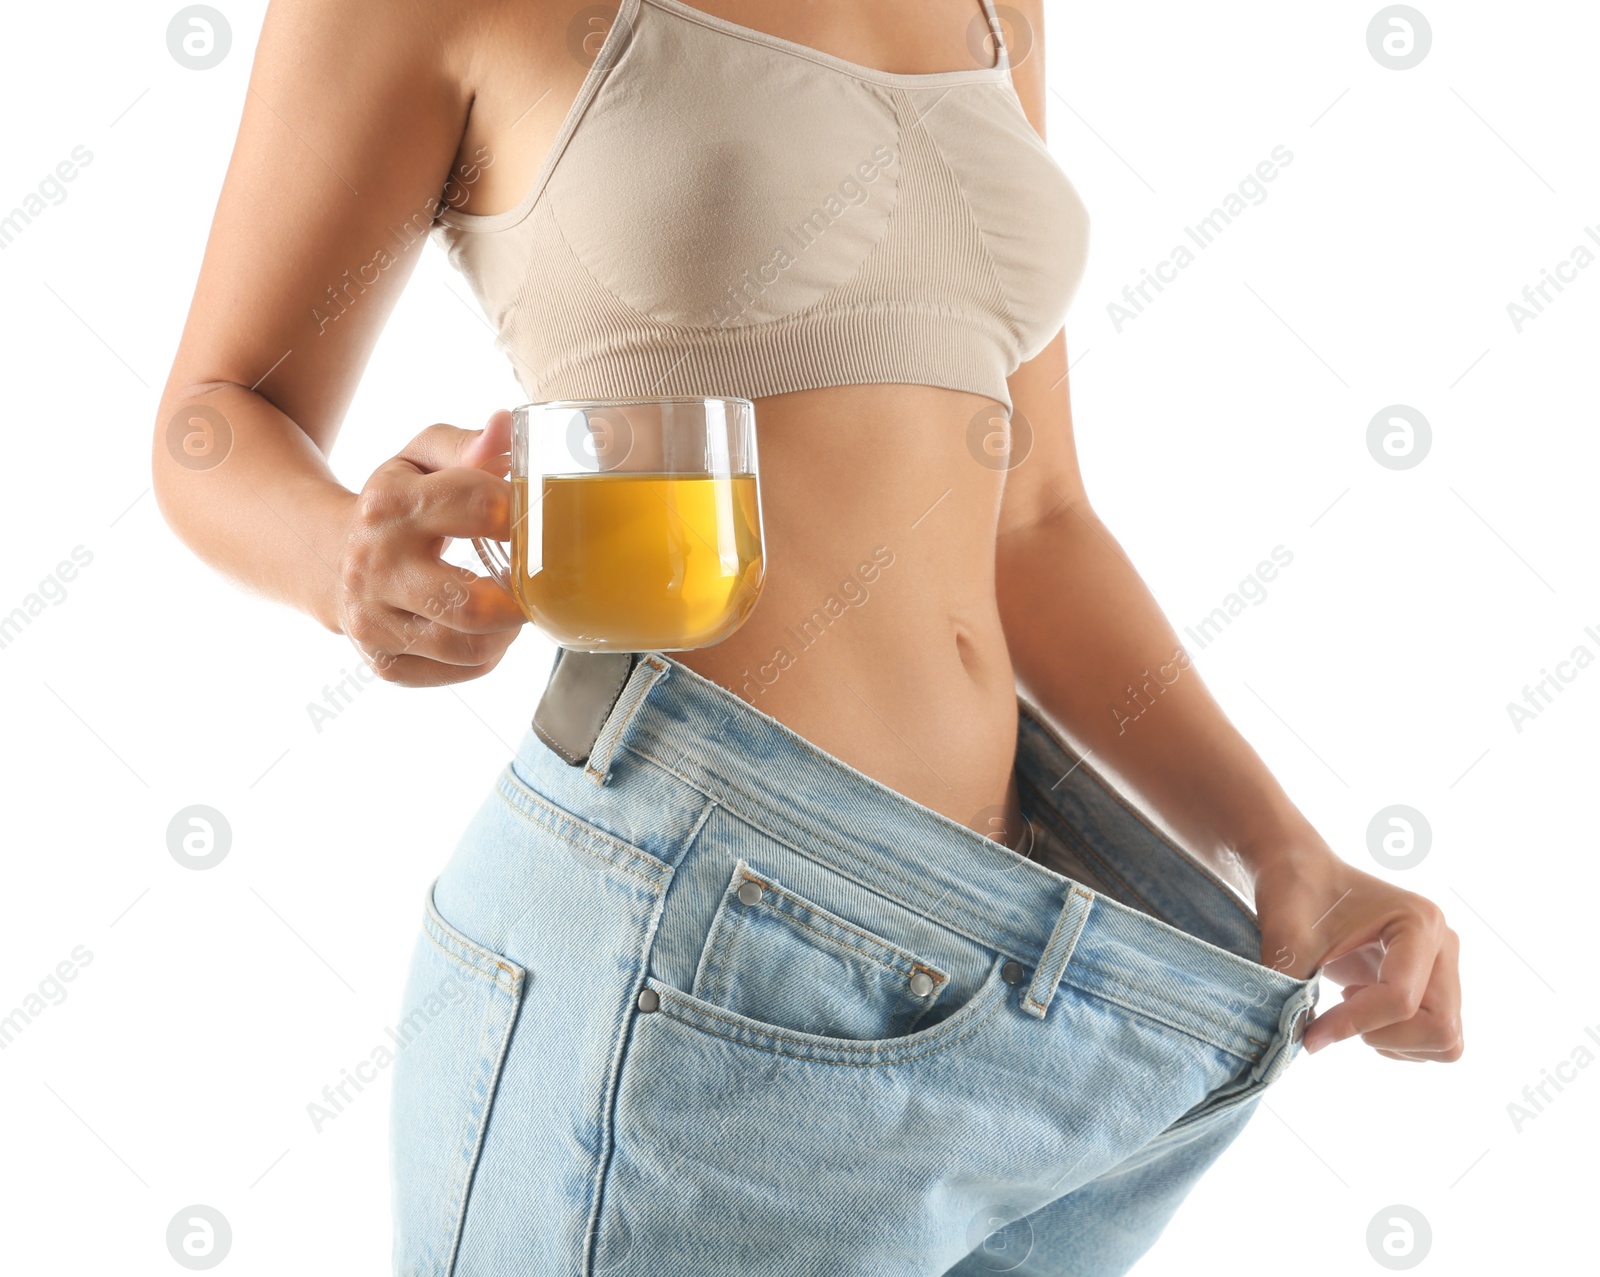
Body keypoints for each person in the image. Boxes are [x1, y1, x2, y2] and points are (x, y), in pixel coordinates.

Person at [152, 0, 1464, 1272]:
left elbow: (1036, 519)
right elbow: (212, 417)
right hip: (680, 950)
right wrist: (347, 560)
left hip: (1026, 989)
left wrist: (1286, 847)